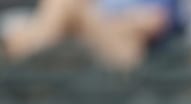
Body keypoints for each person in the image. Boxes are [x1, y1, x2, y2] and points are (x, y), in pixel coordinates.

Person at [1, 0, 181, 70]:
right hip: (73, 45)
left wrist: (90, 21)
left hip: (123, 60)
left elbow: (153, 23)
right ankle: (33, 51)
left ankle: (30, 50)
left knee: (69, 5)